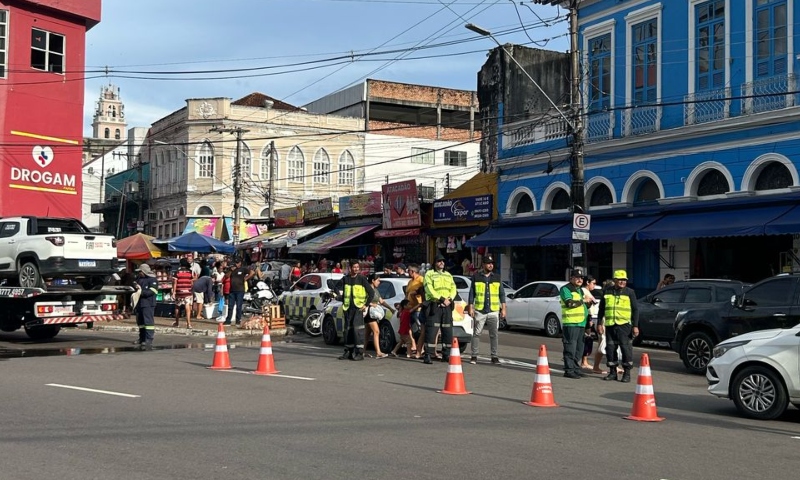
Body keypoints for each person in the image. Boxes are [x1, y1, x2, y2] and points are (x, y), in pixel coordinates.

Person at [597, 270, 640, 383]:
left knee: (626, 349)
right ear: (615, 280)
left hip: (624, 325)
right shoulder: (607, 291)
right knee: (610, 349)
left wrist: (635, 326)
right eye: (620, 280)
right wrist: (599, 324)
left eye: (624, 280)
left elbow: (635, 310)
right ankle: (612, 372)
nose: (622, 282)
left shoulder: (630, 292)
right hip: (610, 325)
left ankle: (627, 374)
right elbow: (601, 309)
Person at [467, 255, 505, 365]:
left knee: (494, 334)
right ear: (483, 265)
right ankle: (474, 355)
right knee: (477, 333)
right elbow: (472, 293)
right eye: (488, 263)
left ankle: (494, 356)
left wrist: (503, 309)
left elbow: (501, 294)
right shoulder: (476, 276)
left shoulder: (497, 277)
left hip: (493, 310)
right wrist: (470, 307)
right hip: (480, 310)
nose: (491, 265)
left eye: (492, 263)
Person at [422, 253, 457, 364]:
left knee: (447, 331)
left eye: (443, 261)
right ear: (435, 263)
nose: (442, 262)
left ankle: (446, 355)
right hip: (434, 305)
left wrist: (449, 299)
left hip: (447, 306)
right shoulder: (429, 274)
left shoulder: (448, 275)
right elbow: (429, 289)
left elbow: (453, 288)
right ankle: (428, 355)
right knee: (431, 331)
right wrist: (441, 299)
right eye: (439, 261)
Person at [338, 259, 374, 361]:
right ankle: (348, 352)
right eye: (354, 267)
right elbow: (336, 287)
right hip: (348, 309)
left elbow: (371, 293)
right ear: (350, 268)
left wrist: (365, 305)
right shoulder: (346, 279)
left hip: (358, 309)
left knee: (358, 331)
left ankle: (359, 353)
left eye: (357, 267)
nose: (356, 269)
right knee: (348, 331)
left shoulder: (362, 279)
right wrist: (337, 294)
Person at [559, 268, 591, 379]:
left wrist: (589, 304)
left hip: (581, 323)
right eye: (577, 277)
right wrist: (583, 301)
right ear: (571, 278)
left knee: (579, 348)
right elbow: (569, 304)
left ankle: (576, 368)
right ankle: (569, 370)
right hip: (571, 323)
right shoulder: (565, 289)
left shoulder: (580, 290)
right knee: (570, 347)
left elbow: (582, 306)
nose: (580, 279)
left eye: (581, 278)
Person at [366, 273, 395, 358]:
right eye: (378, 280)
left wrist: (390, 308)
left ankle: (362, 351)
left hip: (373, 314)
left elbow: (381, 301)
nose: (379, 282)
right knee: (376, 331)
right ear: (373, 280)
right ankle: (378, 352)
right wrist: (371, 304)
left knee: (367, 334)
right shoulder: (367, 289)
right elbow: (361, 300)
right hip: (368, 313)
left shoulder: (376, 290)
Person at [133, 264, 159, 350]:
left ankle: (149, 339)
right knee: (140, 323)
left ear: (144, 271)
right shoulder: (139, 278)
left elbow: (153, 291)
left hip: (148, 304)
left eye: (140, 271)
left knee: (148, 322)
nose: (139, 273)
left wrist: (141, 292)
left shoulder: (153, 279)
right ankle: (142, 338)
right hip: (139, 303)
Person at [225, 257, 254, 326]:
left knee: (239, 306)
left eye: (237, 262)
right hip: (232, 290)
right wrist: (231, 270)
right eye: (235, 262)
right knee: (230, 306)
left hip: (240, 290)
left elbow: (252, 272)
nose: (236, 264)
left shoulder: (243, 269)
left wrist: (246, 278)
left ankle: (238, 320)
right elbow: (226, 276)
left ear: (240, 263)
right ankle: (228, 320)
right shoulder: (231, 269)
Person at [405, 264, 425, 359]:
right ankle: (414, 346)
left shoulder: (421, 280)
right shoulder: (410, 282)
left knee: (419, 329)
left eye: (408, 271)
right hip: (409, 308)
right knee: (410, 329)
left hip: (418, 308)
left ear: (412, 271)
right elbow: (407, 294)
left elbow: (424, 291)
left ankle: (421, 349)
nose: (407, 272)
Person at [581, 276, 599, 371]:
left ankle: (584, 361)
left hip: (589, 317)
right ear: (587, 282)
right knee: (586, 338)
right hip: (586, 316)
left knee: (587, 338)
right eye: (593, 283)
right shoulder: (584, 291)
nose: (594, 286)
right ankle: (584, 361)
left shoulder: (588, 292)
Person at [172, 258, 195, 328]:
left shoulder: (177, 272)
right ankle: (188, 324)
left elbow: (174, 283)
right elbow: (192, 283)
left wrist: (173, 292)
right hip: (188, 292)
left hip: (179, 292)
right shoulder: (190, 272)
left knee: (177, 307)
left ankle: (177, 323)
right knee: (187, 307)